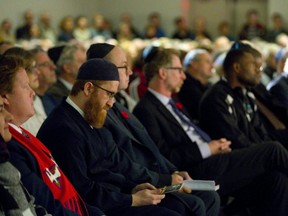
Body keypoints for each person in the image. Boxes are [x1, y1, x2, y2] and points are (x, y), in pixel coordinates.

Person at [132, 47, 288, 216]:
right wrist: (207, 148)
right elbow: (162, 156)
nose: (183, 75)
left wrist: (216, 145)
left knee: (276, 180)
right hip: (194, 170)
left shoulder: (172, 103)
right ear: (162, 73)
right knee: (273, 149)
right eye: (179, 70)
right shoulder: (146, 109)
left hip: (214, 159)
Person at [86, 43, 221, 216]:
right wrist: (164, 179)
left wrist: (173, 171)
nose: (130, 72)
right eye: (124, 67)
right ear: (103, 69)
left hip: (154, 175)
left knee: (209, 196)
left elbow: (151, 147)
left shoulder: (118, 105)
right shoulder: (99, 111)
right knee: (193, 204)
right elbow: (121, 160)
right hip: (136, 184)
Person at [37, 59, 183, 216]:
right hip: (98, 208)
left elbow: (110, 166)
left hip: (114, 198)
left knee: (183, 205)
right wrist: (132, 199)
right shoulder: (63, 128)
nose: (111, 103)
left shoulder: (90, 116)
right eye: (109, 94)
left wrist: (132, 188)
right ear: (88, 88)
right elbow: (81, 190)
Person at [0, 55, 105, 215]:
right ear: (4, 97)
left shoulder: (22, 135)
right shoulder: (10, 144)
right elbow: (46, 203)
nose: (33, 93)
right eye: (25, 86)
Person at [0, 93, 39, 215]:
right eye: (0, 110)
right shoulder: (12, 152)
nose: (9, 117)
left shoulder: (5, 163)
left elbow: (33, 208)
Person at [177, 49, 214, 122]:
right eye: (207, 62)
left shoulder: (207, 85)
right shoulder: (185, 86)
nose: (212, 66)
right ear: (194, 64)